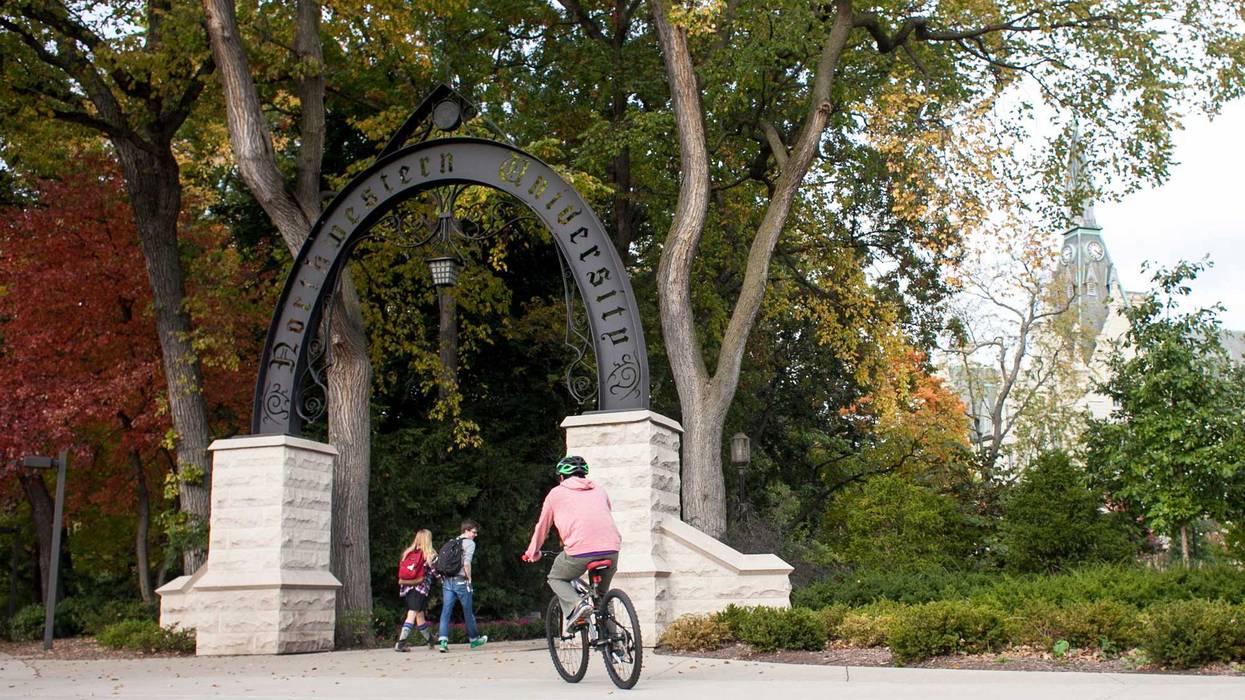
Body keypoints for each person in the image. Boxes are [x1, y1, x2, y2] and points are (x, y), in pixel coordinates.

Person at [522, 455, 622, 628]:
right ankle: (615, 641)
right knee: (602, 596)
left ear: (561, 477)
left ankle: (578, 605)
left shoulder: (556, 493)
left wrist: (532, 552)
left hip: (580, 552)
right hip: (611, 549)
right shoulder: (600, 490)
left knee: (556, 578)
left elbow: (543, 526)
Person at [437, 519, 488, 652]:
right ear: (466, 531)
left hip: (447, 581)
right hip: (461, 581)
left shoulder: (451, 542)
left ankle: (443, 642)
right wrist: (469, 578)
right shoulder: (469, 543)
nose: (475, 535)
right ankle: (474, 640)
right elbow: (466, 563)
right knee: (468, 611)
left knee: (446, 611)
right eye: (474, 532)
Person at [394, 529, 437, 652]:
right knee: (412, 613)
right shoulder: (429, 554)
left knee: (420, 616)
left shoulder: (408, 553)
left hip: (407, 587)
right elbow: (435, 572)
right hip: (420, 588)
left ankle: (430, 640)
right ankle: (401, 643)